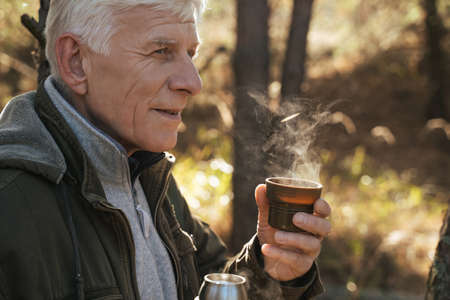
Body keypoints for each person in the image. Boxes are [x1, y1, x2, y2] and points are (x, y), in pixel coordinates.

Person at [0, 0, 331, 299]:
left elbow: (210, 285)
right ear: (76, 61)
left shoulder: (148, 175)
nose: (193, 82)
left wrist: (271, 271)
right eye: (161, 51)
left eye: (191, 53)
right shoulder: (10, 206)